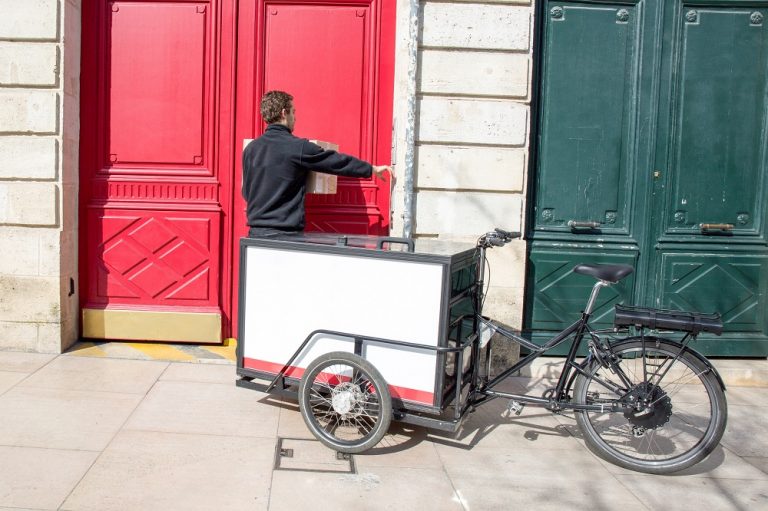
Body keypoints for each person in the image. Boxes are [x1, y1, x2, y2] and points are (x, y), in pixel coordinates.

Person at [242, 90, 392, 237]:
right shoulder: (298, 147)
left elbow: (246, 192)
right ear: (283, 113)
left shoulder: (250, 149)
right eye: (293, 112)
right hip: (284, 235)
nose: (295, 117)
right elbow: (336, 162)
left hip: (255, 235)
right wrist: (371, 169)